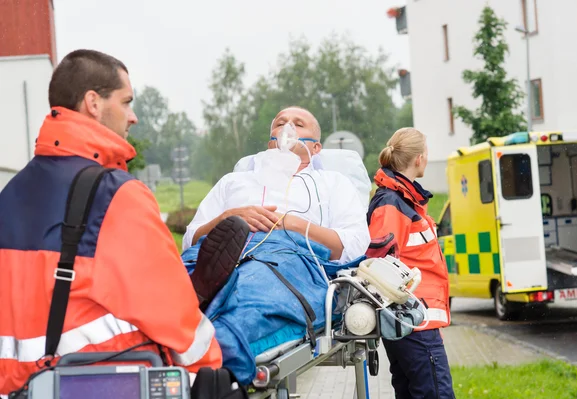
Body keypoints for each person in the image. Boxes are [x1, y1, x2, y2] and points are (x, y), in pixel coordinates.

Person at [0, 49, 224, 395]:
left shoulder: (10, 194)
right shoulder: (116, 196)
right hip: (101, 383)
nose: (132, 117)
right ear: (93, 102)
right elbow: (174, 315)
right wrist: (212, 374)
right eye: (126, 101)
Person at [183, 106, 370, 263]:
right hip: (229, 258)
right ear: (270, 142)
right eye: (280, 124)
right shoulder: (233, 181)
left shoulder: (334, 183)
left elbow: (354, 246)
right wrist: (229, 218)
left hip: (297, 265)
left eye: (299, 124)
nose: (287, 128)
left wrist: (291, 224)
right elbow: (190, 241)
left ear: (316, 148)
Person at [366, 128, 455, 399]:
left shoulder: (404, 201)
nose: (427, 158)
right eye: (426, 152)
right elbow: (379, 266)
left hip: (413, 322)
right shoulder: (392, 203)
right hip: (413, 323)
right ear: (418, 159)